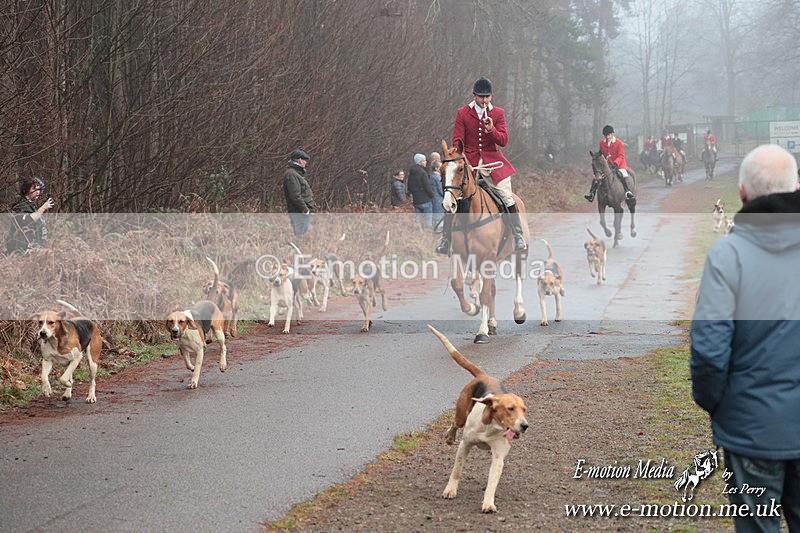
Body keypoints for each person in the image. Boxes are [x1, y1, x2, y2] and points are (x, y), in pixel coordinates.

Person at [691, 144, 800, 533]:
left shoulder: (726, 256)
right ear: (797, 186)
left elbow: (709, 352)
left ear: (741, 193)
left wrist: (720, 406)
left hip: (751, 429)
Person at [436, 76, 526, 254]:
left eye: (487, 97)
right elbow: (457, 140)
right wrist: (463, 161)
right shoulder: (462, 113)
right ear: (474, 95)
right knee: (453, 197)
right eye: (481, 97)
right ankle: (446, 239)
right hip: (468, 162)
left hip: (493, 162)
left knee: (507, 196)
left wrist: (491, 130)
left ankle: (518, 235)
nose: (484, 100)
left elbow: (504, 140)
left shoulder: (498, 113)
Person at [585, 125, 635, 202]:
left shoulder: (619, 143)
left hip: (619, 164)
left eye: (609, 135)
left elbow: (621, 156)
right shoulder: (601, 142)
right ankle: (591, 194)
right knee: (596, 177)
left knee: (623, 174)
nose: (607, 137)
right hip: (607, 165)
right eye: (606, 135)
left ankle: (627, 192)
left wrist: (616, 163)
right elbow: (601, 153)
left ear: (612, 134)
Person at [5, 176, 54, 254]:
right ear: (26, 190)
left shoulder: (32, 206)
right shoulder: (20, 205)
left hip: (34, 250)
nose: (38, 192)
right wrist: (43, 208)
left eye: (39, 190)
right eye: (34, 189)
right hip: (21, 251)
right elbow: (26, 221)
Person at [283, 149, 316, 237]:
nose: (305, 163)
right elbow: (295, 196)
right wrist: (305, 210)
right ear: (300, 160)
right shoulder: (291, 174)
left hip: (301, 212)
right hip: (299, 213)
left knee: (304, 236)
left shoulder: (295, 174)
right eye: (305, 160)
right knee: (301, 237)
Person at [406, 153, 433, 228]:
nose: (426, 162)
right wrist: (432, 195)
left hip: (416, 200)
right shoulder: (423, 173)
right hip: (426, 200)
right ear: (420, 162)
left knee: (419, 222)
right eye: (424, 161)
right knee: (428, 222)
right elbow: (427, 187)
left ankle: (419, 235)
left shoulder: (411, 173)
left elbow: (409, 187)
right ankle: (428, 235)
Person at [429, 160, 444, 228]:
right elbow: (441, 190)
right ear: (436, 168)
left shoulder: (432, 176)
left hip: (434, 199)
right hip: (439, 200)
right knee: (440, 218)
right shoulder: (438, 178)